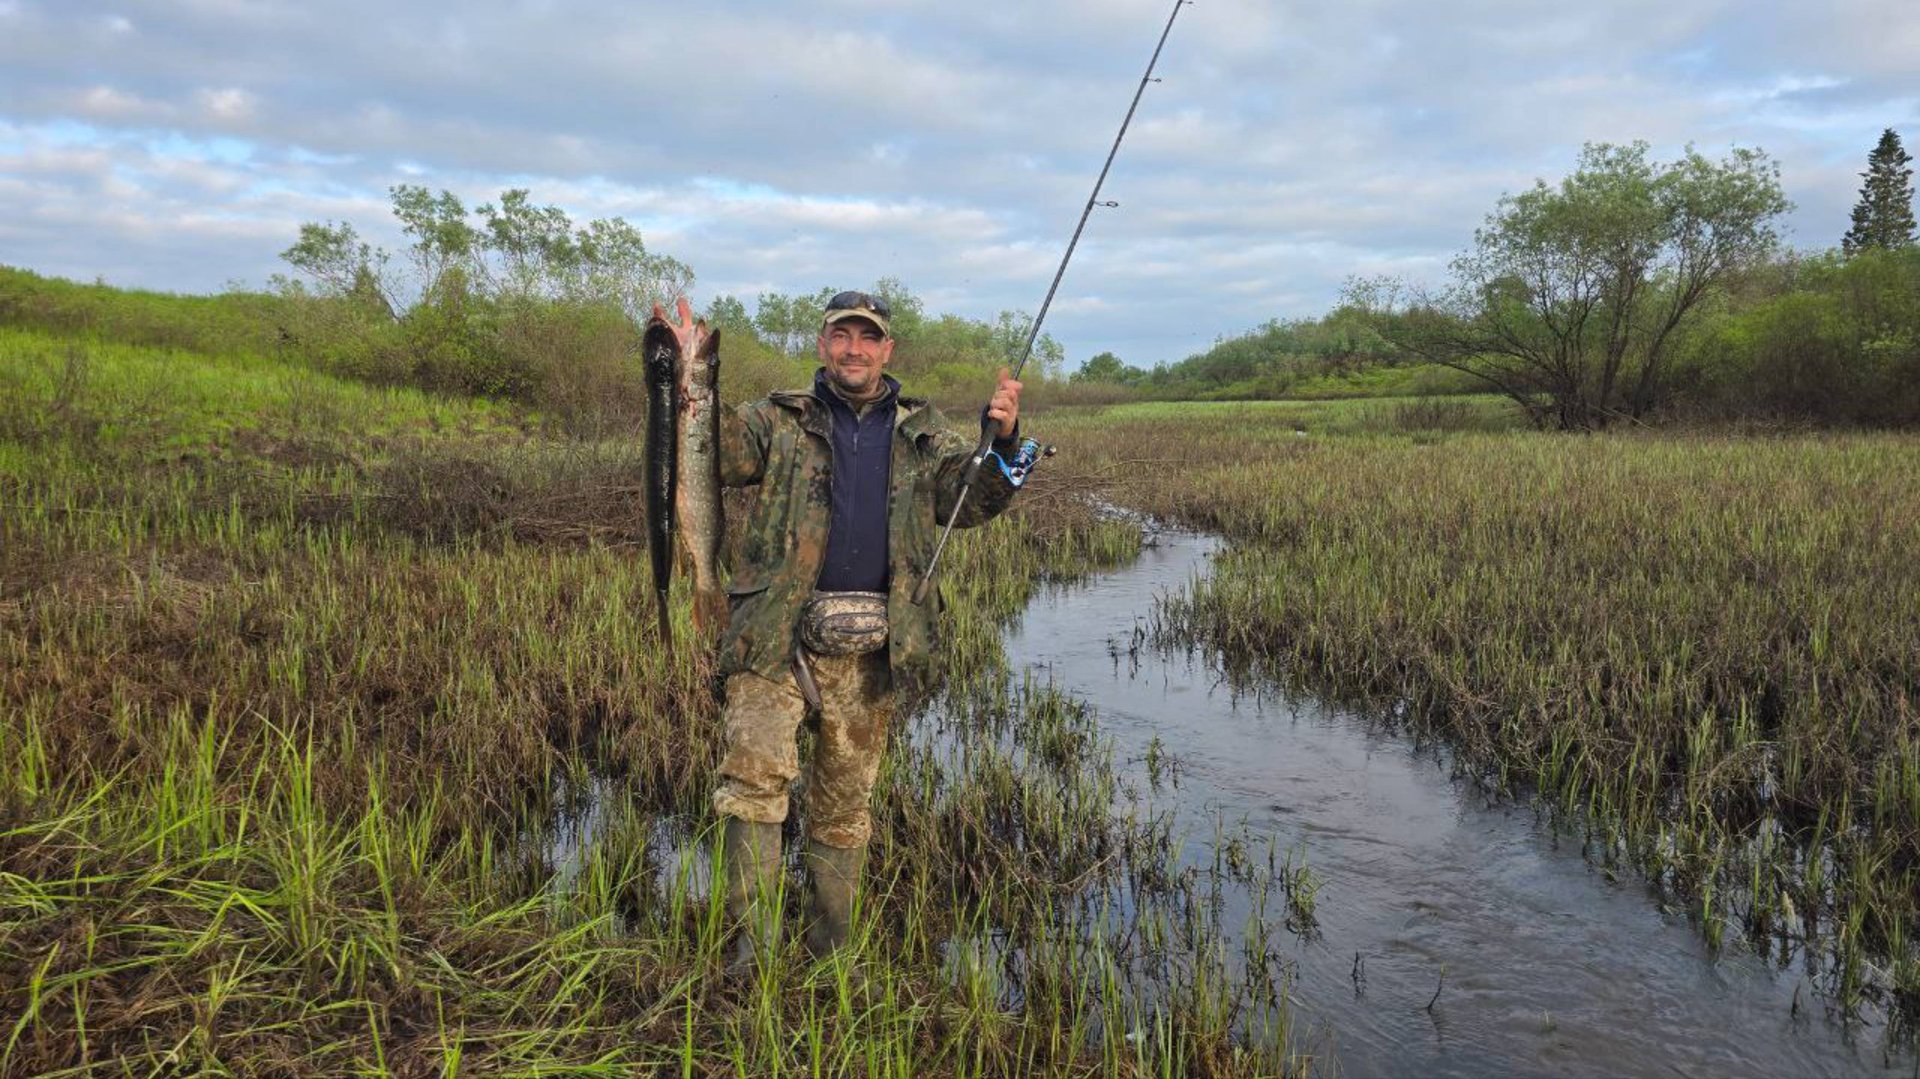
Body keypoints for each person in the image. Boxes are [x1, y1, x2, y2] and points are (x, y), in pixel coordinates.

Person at [673, 290, 1025, 970]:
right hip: (772, 638)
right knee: (752, 788)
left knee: (843, 806)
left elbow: (973, 499)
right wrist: (683, 379)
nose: (854, 349)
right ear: (822, 345)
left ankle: (831, 950)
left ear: (887, 349)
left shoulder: (924, 433)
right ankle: (754, 949)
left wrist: (1002, 440)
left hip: (869, 650)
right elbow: (709, 455)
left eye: (868, 337)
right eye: (842, 336)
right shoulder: (776, 420)